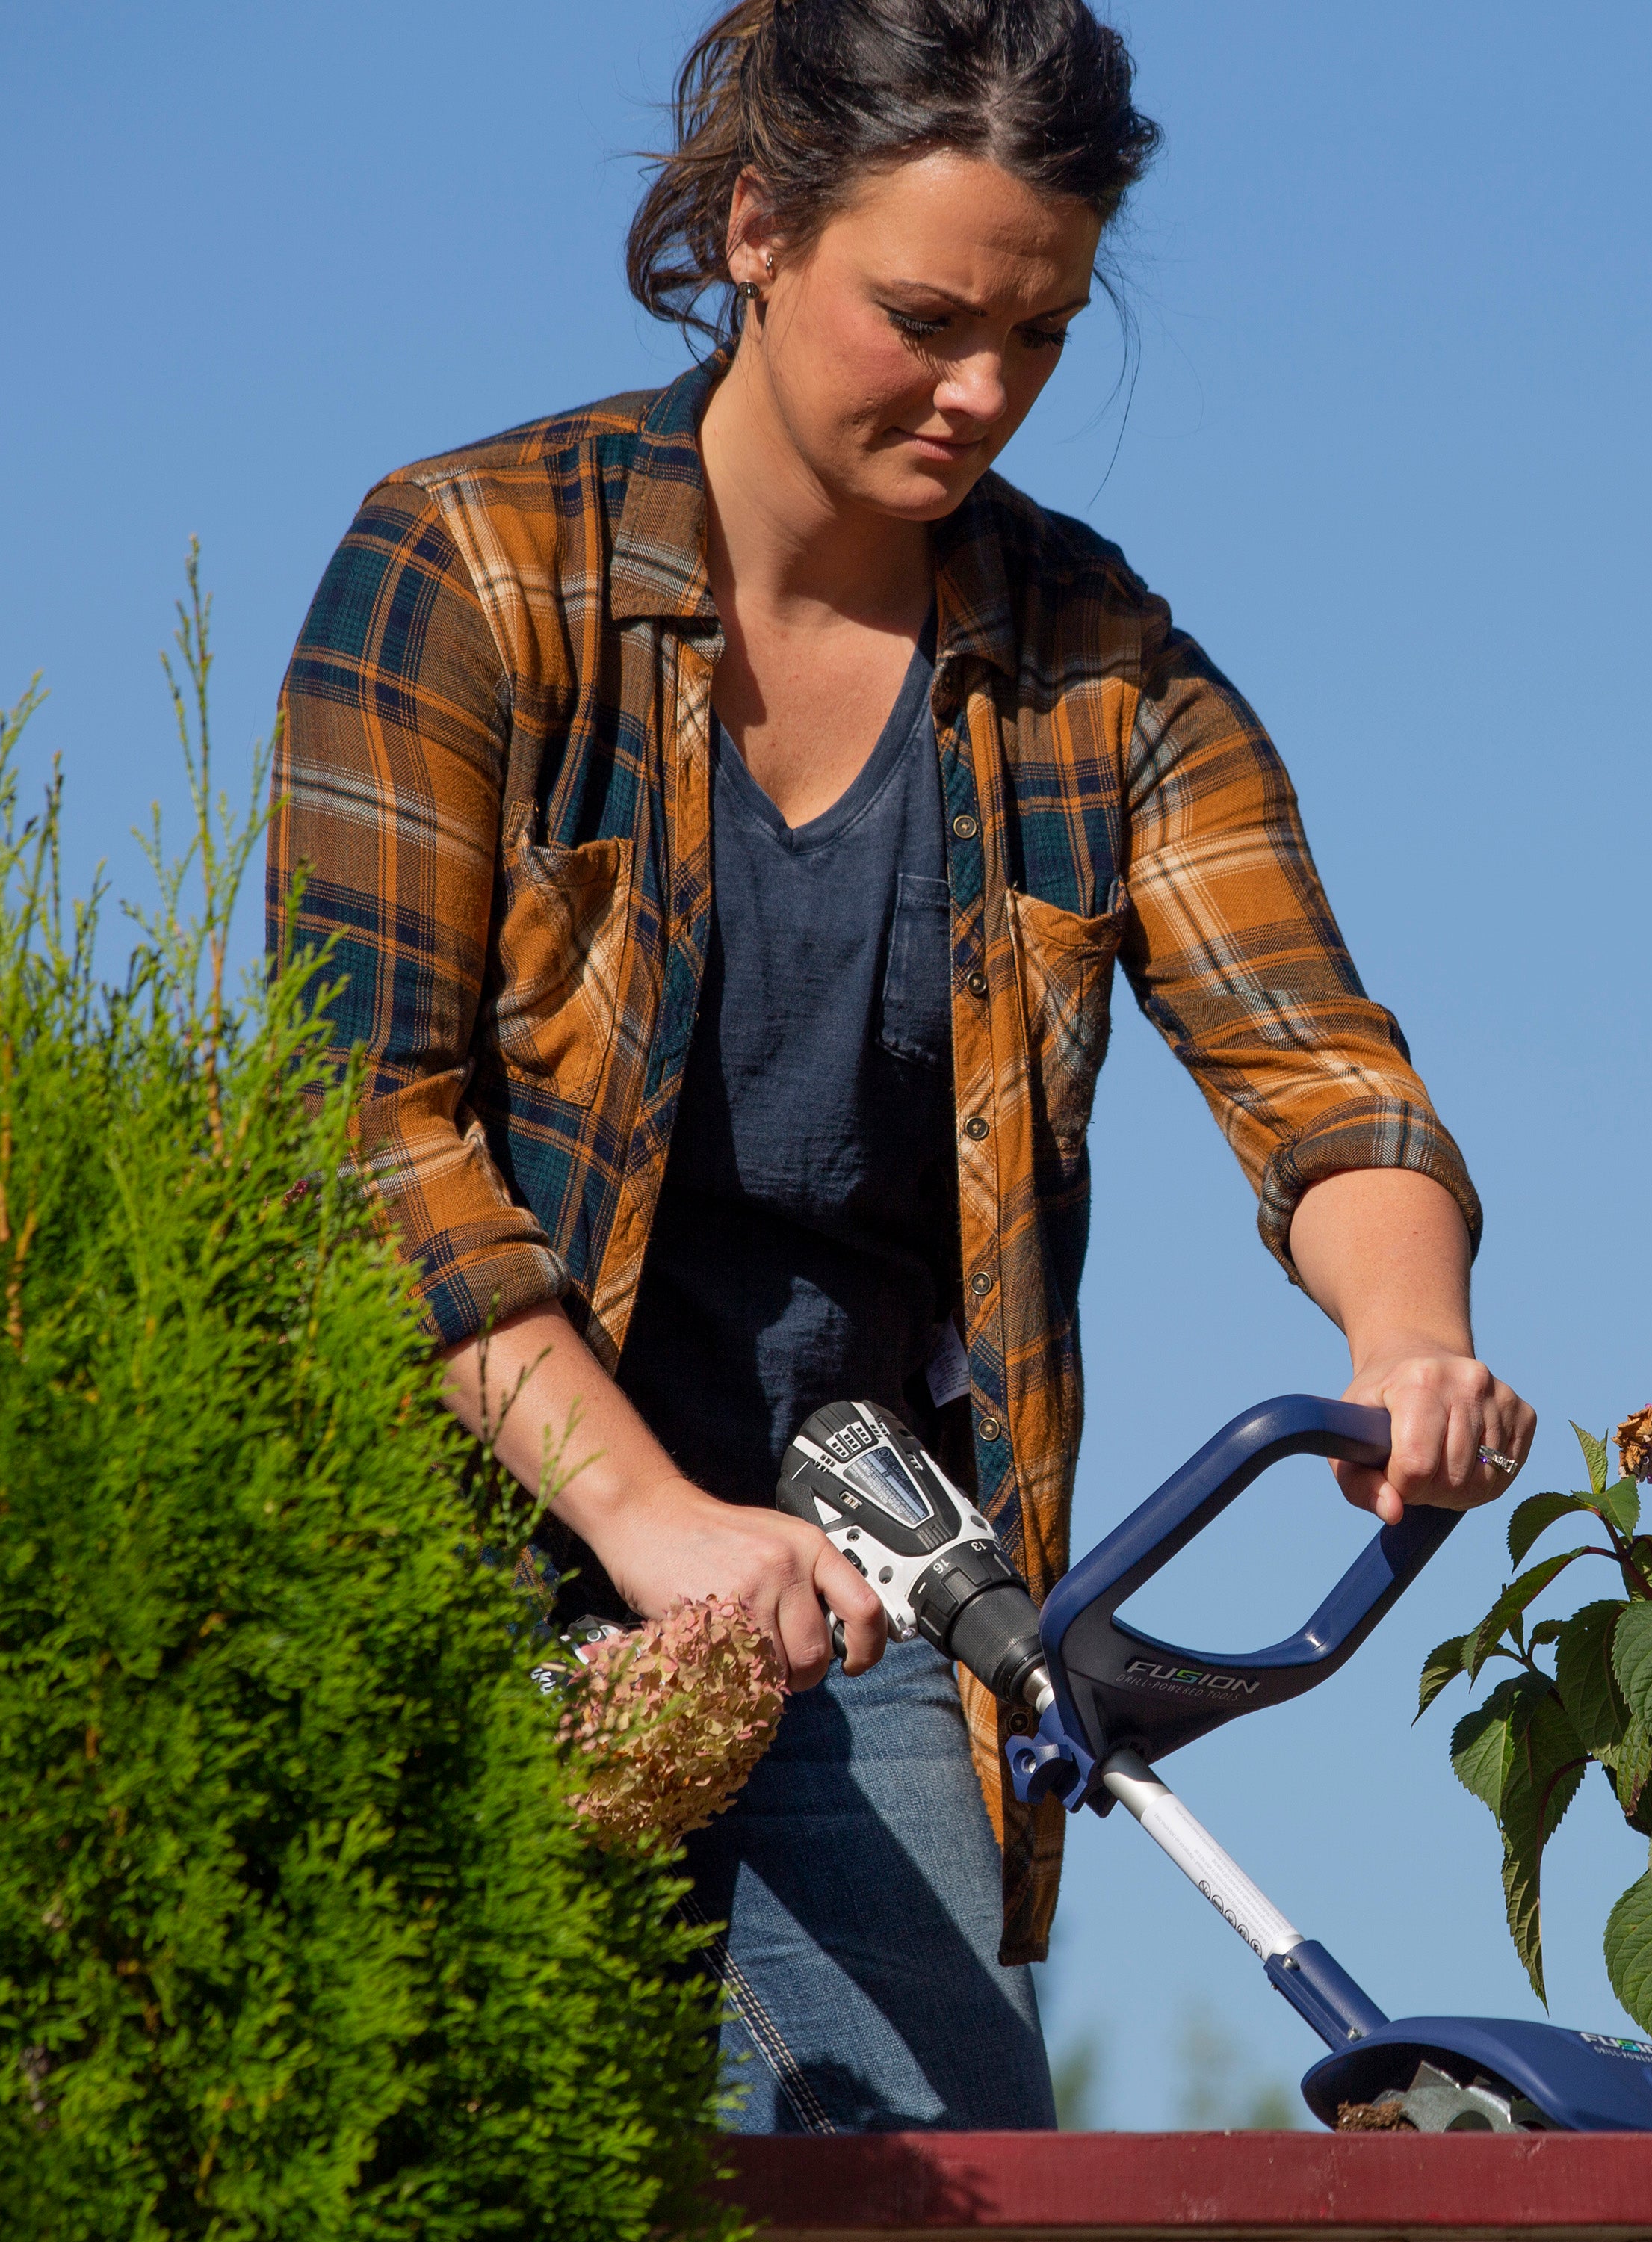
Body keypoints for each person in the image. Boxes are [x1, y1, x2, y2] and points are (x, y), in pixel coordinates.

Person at [269, 0, 1534, 2138]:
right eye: (927, 317)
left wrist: (1413, 1337)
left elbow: (1320, 1066)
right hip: (454, 1541)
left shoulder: (1096, 664)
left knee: (943, 2152)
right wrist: (652, 1522)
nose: (982, 394)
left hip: (858, 1602)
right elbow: (364, 1132)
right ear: (758, 229)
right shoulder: (470, 569)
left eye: (1035, 337)